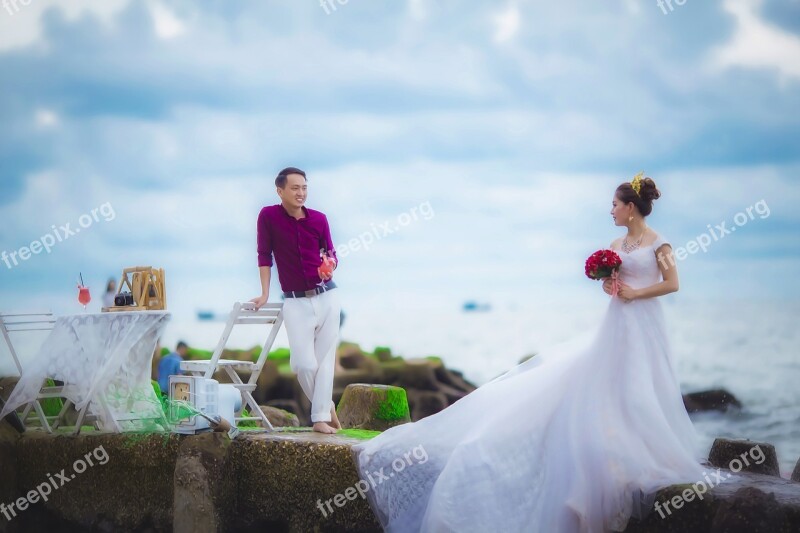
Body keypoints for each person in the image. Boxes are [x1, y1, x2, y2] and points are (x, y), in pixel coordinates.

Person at [351, 174, 706, 532]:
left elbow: (672, 284)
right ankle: (613, 448)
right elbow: (610, 287)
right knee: (610, 383)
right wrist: (609, 285)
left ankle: (643, 449)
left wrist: (635, 294)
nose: (610, 210)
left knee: (641, 385)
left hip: (645, 321)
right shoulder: (616, 243)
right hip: (617, 320)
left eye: (615, 204)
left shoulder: (660, 243)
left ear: (631, 208)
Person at [250, 167, 342, 434]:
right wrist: (265, 293)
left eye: (304, 187)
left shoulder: (319, 219)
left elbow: (331, 251)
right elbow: (264, 255)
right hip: (294, 302)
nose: (301, 193)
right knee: (302, 364)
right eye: (295, 188)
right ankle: (326, 406)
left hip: (327, 296)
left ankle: (320, 418)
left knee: (325, 361)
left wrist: (330, 264)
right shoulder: (268, 216)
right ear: (280, 191)